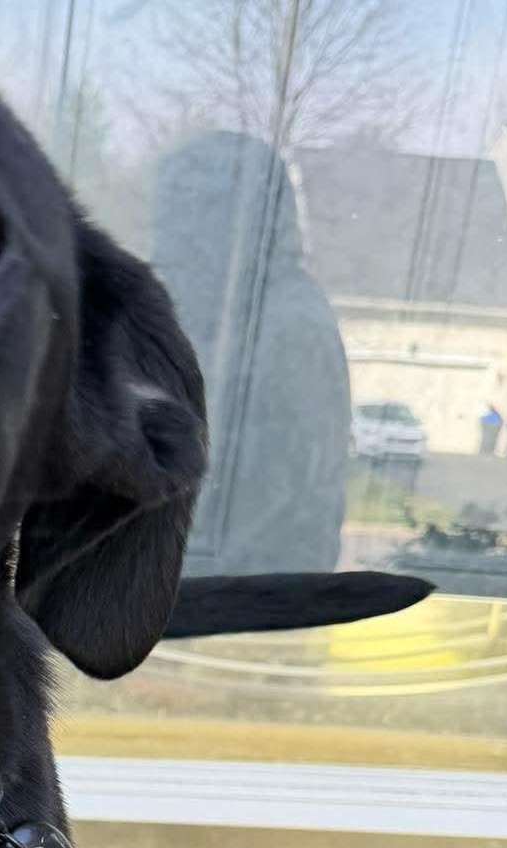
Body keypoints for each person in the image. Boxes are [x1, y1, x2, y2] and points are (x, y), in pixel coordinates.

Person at [151, 132, 351, 575]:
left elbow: (273, 501)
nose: (163, 240)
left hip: (249, 599)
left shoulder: (287, 323)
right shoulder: (218, 312)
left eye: (181, 217)